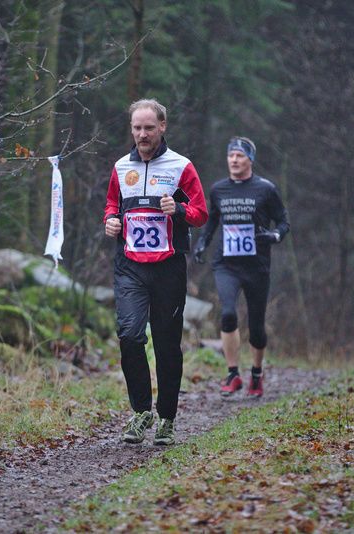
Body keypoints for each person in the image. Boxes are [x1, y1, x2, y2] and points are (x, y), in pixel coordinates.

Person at [103, 98, 208, 445]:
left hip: (168, 268)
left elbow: (201, 213)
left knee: (166, 344)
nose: (142, 134)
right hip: (130, 266)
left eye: (149, 128)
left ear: (162, 127)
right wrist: (110, 221)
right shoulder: (121, 167)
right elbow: (112, 204)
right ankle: (141, 411)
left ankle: (166, 418)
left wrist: (178, 209)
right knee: (130, 336)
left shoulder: (181, 167)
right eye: (137, 128)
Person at [193, 137, 289, 398]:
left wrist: (275, 236)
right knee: (227, 314)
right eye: (230, 155)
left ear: (250, 160)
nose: (234, 160)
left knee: (256, 327)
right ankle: (233, 373)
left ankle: (256, 373)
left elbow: (283, 222)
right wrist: (202, 243)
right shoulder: (218, 189)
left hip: (257, 266)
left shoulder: (266, 189)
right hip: (227, 264)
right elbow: (212, 221)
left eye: (239, 156)